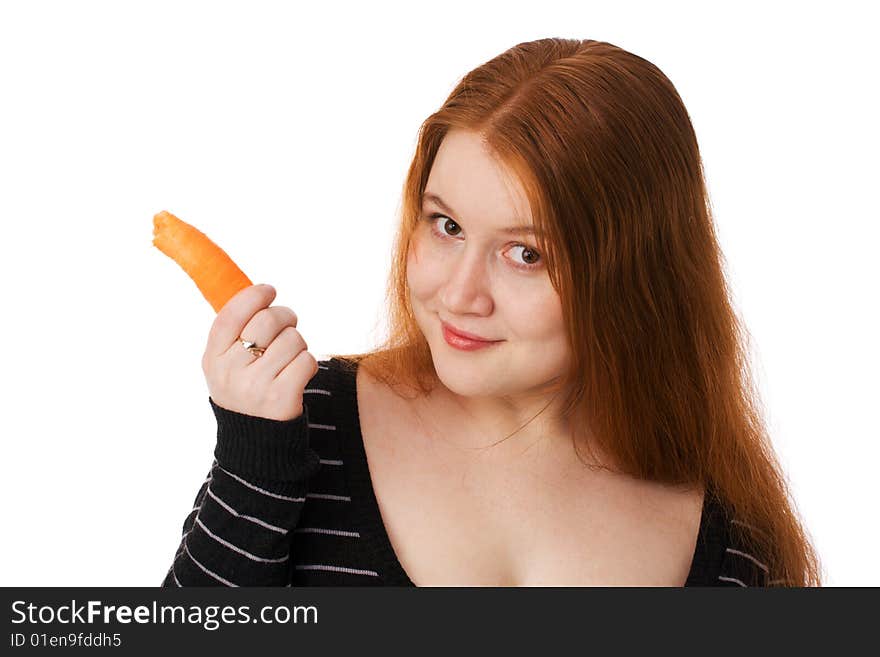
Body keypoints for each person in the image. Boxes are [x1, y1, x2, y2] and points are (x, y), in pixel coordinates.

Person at [162, 37, 822, 587]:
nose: (459, 294)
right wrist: (253, 461)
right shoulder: (304, 427)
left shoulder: (732, 537)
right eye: (446, 225)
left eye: (525, 253)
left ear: (633, 279)